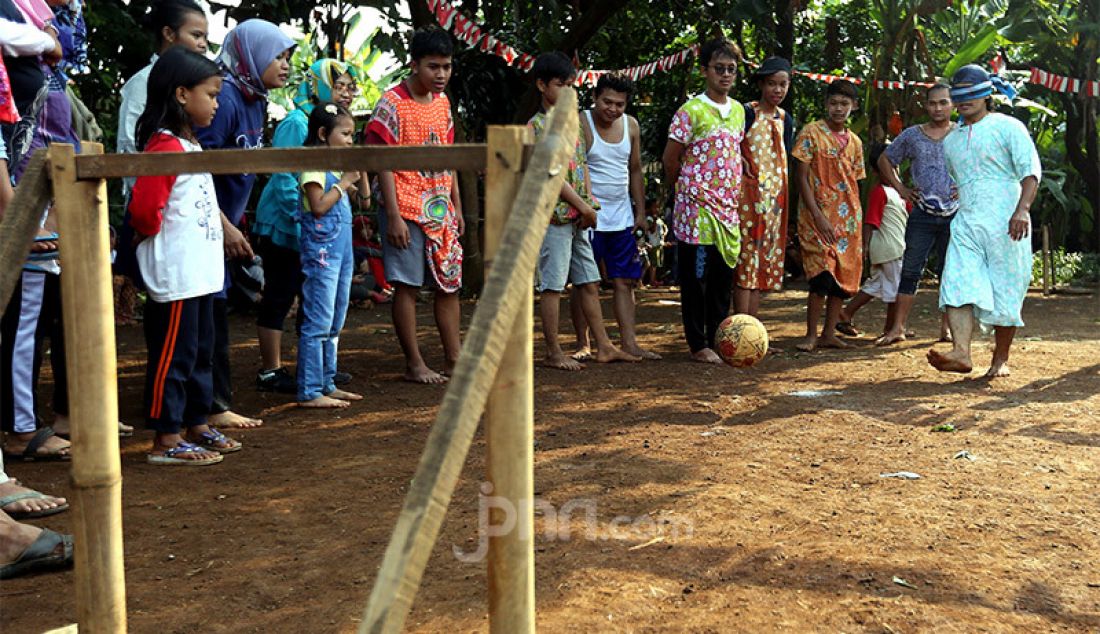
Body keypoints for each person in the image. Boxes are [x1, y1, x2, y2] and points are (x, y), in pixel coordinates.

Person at [130, 46, 240, 464]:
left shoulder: (187, 145)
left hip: (200, 274)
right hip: (177, 273)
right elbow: (143, 211)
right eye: (210, 94)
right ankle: (166, 438)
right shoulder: (164, 148)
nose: (216, 103)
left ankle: (197, 422)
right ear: (181, 94)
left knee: (198, 353)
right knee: (173, 356)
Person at [195, 19, 293, 425]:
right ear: (253, 55)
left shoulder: (255, 98)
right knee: (208, 316)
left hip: (228, 222)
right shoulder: (227, 99)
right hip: (204, 224)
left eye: (288, 57)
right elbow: (195, 167)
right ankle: (212, 409)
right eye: (278, 56)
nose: (285, 65)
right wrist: (223, 225)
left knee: (216, 311)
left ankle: (216, 405)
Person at [364, 26, 464, 384]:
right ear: (414, 65)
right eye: (433, 67)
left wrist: (457, 207)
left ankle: (455, 358)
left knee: (449, 283)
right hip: (404, 205)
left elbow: (450, 155)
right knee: (406, 285)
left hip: (440, 205)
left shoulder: (444, 103)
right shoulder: (391, 103)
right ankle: (415, 363)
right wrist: (392, 216)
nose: (441, 75)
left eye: (447, 67)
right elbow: (381, 161)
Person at [527, 51, 639, 371]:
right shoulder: (537, 126)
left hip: (577, 217)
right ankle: (552, 351)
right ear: (541, 85)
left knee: (589, 282)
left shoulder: (571, 122)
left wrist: (588, 202)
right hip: (553, 217)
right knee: (553, 286)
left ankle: (603, 345)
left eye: (571, 85)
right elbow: (552, 176)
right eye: (560, 85)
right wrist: (583, 205)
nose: (567, 92)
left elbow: (582, 164)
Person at [927, 65, 1040, 378]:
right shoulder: (951, 140)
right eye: (958, 95)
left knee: (1007, 288)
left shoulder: (1009, 127)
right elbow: (958, 179)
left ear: (987, 93)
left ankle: (1000, 359)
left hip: (1007, 221)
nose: (964, 101)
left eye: (971, 93)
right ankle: (961, 352)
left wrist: (1022, 210)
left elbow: (1030, 171)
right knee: (957, 280)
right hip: (966, 220)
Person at [253, 59, 356, 394]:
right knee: (281, 294)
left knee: (320, 304)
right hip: (288, 226)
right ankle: (276, 371)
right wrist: (306, 226)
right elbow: (285, 178)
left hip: (318, 230)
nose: (344, 92)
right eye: (337, 86)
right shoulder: (299, 124)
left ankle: (321, 376)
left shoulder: (338, 133)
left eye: (347, 87)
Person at [661, 37, 747, 364]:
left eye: (731, 70)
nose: (725, 75)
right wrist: (683, 192)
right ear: (704, 71)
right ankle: (698, 344)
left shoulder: (739, 111)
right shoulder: (690, 111)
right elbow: (671, 159)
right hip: (695, 212)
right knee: (696, 280)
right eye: (719, 68)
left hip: (728, 212)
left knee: (722, 280)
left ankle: (718, 338)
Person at [570, 73, 659, 360]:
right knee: (586, 281)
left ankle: (630, 342)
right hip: (589, 216)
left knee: (625, 280)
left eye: (619, 104)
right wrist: (583, 206)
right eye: (607, 102)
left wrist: (640, 212)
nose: (613, 109)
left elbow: (635, 169)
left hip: (622, 217)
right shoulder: (580, 121)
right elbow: (575, 166)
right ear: (594, 98)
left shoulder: (631, 125)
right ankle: (584, 342)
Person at [875, 83, 956, 344]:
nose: (938, 108)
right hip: (921, 213)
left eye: (943, 102)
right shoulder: (912, 135)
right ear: (925, 105)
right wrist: (901, 188)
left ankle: (947, 329)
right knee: (910, 269)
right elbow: (886, 159)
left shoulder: (964, 134)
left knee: (950, 271)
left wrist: (967, 189)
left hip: (955, 214)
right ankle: (897, 327)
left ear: (952, 104)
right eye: (933, 103)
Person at [295, 103, 364, 408]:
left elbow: (363, 200)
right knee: (319, 318)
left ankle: (327, 382)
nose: (351, 140)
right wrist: (344, 182)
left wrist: (357, 181)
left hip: (341, 250)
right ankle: (310, 389)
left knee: (336, 315)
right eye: (345, 134)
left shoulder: (337, 168)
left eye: (353, 135)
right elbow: (319, 205)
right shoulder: (313, 163)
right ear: (323, 134)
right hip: (322, 251)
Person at [792, 79, 866, 352]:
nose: (838, 108)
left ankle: (829, 334)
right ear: (826, 104)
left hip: (848, 219)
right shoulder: (811, 133)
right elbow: (800, 177)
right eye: (834, 103)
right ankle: (811, 334)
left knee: (841, 279)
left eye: (844, 104)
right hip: (816, 215)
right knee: (820, 276)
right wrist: (817, 215)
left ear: (853, 106)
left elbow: (856, 181)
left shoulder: (856, 142)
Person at [117, 0, 208, 184]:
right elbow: (130, 147)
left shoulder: (197, 85)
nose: (203, 45)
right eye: (196, 35)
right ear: (169, 34)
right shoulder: (142, 83)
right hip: (151, 196)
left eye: (205, 37)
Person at [734, 56, 796, 317]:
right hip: (747, 198)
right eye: (772, 84)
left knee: (761, 263)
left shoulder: (786, 119)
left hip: (774, 203)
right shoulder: (747, 112)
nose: (778, 90)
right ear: (761, 84)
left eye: (783, 85)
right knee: (745, 261)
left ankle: (752, 332)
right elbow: (730, 147)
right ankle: (737, 328)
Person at [837, 144, 910, 343]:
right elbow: (871, 220)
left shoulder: (896, 191)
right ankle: (892, 328)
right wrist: (866, 246)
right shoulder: (880, 192)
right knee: (896, 287)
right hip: (888, 247)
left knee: (877, 284)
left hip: (892, 246)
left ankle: (846, 313)